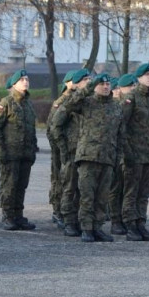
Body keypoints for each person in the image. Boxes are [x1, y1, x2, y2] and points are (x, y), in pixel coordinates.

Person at [63, 72, 124, 242]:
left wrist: (118, 156)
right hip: (88, 156)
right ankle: (86, 228)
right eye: (101, 84)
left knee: (102, 196)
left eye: (107, 84)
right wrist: (88, 87)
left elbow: (120, 134)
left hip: (108, 157)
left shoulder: (116, 106)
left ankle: (97, 227)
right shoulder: (87, 103)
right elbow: (69, 105)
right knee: (87, 194)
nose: (105, 87)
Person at [120, 63, 149, 241]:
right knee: (131, 192)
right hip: (134, 155)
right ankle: (130, 225)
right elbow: (122, 126)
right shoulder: (131, 98)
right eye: (147, 75)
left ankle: (141, 224)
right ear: (139, 78)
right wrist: (127, 153)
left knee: (144, 194)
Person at [0, 69, 38, 230]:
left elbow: (32, 129)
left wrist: (33, 149)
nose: (25, 82)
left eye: (27, 79)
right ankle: (8, 215)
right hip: (10, 153)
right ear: (14, 84)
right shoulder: (6, 103)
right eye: (22, 80)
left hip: (25, 153)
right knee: (9, 185)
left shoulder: (28, 103)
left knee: (21, 185)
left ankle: (18, 215)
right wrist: (1, 151)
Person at [50, 68, 90, 236]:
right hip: (71, 151)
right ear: (76, 83)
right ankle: (67, 220)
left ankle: (80, 220)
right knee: (69, 187)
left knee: (84, 188)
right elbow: (55, 127)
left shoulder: (89, 101)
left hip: (86, 151)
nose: (89, 82)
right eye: (86, 80)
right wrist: (62, 150)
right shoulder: (68, 102)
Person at [109, 73, 137, 235]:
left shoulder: (137, 103)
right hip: (119, 152)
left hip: (134, 152)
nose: (133, 89)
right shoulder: (118, 106)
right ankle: (115, 220)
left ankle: (128, 219)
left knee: (130, 189)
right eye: (129, 87)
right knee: (116, 188)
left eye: (134, 86)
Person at [46, 71, 74, 227]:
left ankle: (66, 211)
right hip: (60, 149)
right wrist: (59, 149)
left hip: (71, 148)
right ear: (68, 83)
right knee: (59, 180)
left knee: (69, 182)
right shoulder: (61, 102)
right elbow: (52, 128)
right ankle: (57, 211)